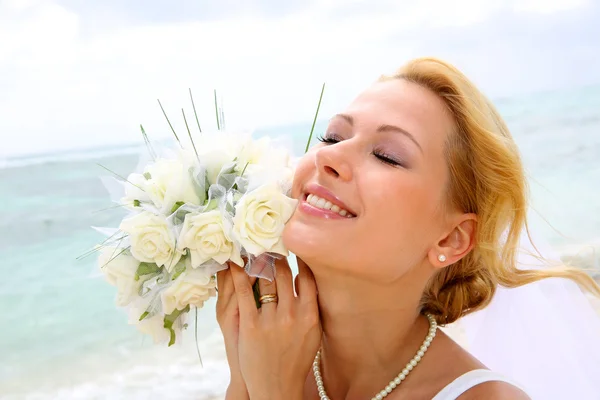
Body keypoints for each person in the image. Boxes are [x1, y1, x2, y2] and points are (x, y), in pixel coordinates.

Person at [215, 57, 600, 400]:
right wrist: (244, 377)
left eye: (387, 156)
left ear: (451, 238)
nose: (329, 154)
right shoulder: (265, 354)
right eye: (333, 136)